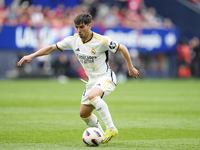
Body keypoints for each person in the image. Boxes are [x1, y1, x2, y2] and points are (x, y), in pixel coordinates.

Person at [17, 13, 139, 143]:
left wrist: (131, 68)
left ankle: (111, 128)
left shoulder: (101, 40)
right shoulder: (73, 40)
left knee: (93, 96)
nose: (79, 30)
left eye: (82, 27)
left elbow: (123, 48)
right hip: (92, 81)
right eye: (77, 27)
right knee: (84, 114)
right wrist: (32, 55)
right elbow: (52, 48)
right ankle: (101, 136)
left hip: (105, 77)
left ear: (89, 26)